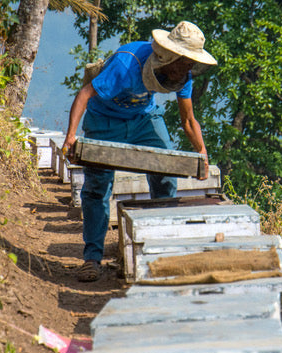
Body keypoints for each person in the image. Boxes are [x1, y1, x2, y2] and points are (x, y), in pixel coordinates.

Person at [62, 21, 216, 282]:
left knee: (167, 172)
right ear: (170, 56)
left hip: (145, 119)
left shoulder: (184, 75)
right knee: (98, 186)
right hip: (104, 120)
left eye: (192, 62)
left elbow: (189, 121)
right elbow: (85, 94)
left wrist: (201, 152)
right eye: (185, 61)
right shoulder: (127, 63)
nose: (189, 68)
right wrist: (70, 138)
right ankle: (92, 258)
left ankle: (158, 249)